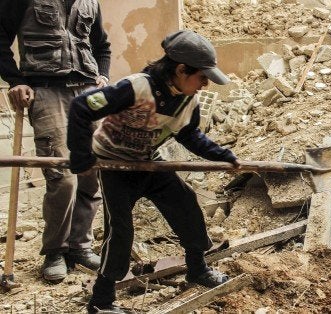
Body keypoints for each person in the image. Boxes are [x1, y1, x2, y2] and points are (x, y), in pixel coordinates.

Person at [67, 30, 238, 313]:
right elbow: (81, 106)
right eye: (202, 77)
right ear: (182, 70)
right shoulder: (134, 88)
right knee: (119, 230)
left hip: (149, 162)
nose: (205, 85)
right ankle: (101, 301)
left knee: (187, 206)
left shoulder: (188, 100)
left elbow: (190, 136)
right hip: (114, 166)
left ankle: (197, 269)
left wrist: (223, 156)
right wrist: (82, 156)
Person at [0, 0, 111, 282]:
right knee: (62, 177)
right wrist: (15, 80)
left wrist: (103, 75)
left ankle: (80, 246)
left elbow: (102, 46)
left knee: (92, 174)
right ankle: (56, 250)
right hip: (47, 91)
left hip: (88, 93)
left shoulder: (91, 2)